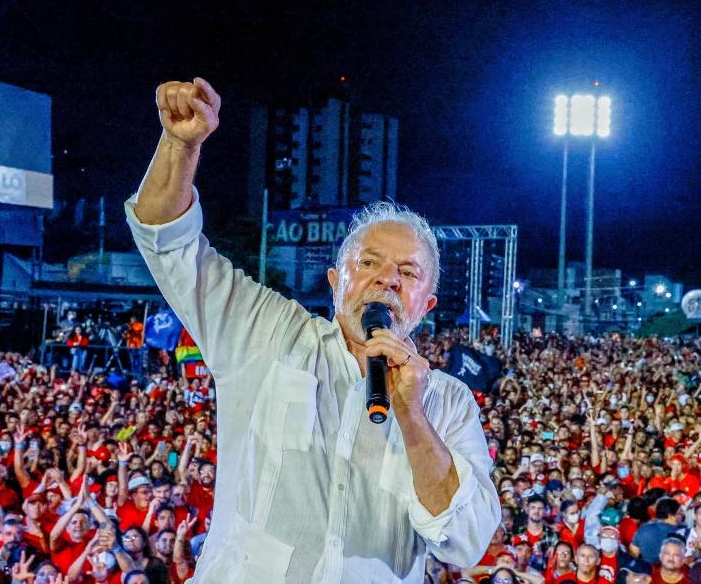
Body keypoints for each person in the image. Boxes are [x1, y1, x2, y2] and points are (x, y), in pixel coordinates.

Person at [124, 77, 500, 582]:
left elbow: (468, 541)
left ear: (426, 304)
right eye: (368, 262)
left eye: (407, 272)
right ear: (334, 281)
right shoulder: (265, 331)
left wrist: (412, 416)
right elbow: (167, 241)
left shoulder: (448, 403)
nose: (387, 277)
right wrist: (180, 144)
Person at [629, 499, 681, 565]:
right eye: (679, 513)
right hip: (667, 572)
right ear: (670, 516)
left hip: (644, 570)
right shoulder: (679, 533)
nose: (681, 516)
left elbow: (633, 553)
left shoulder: (643, 528)